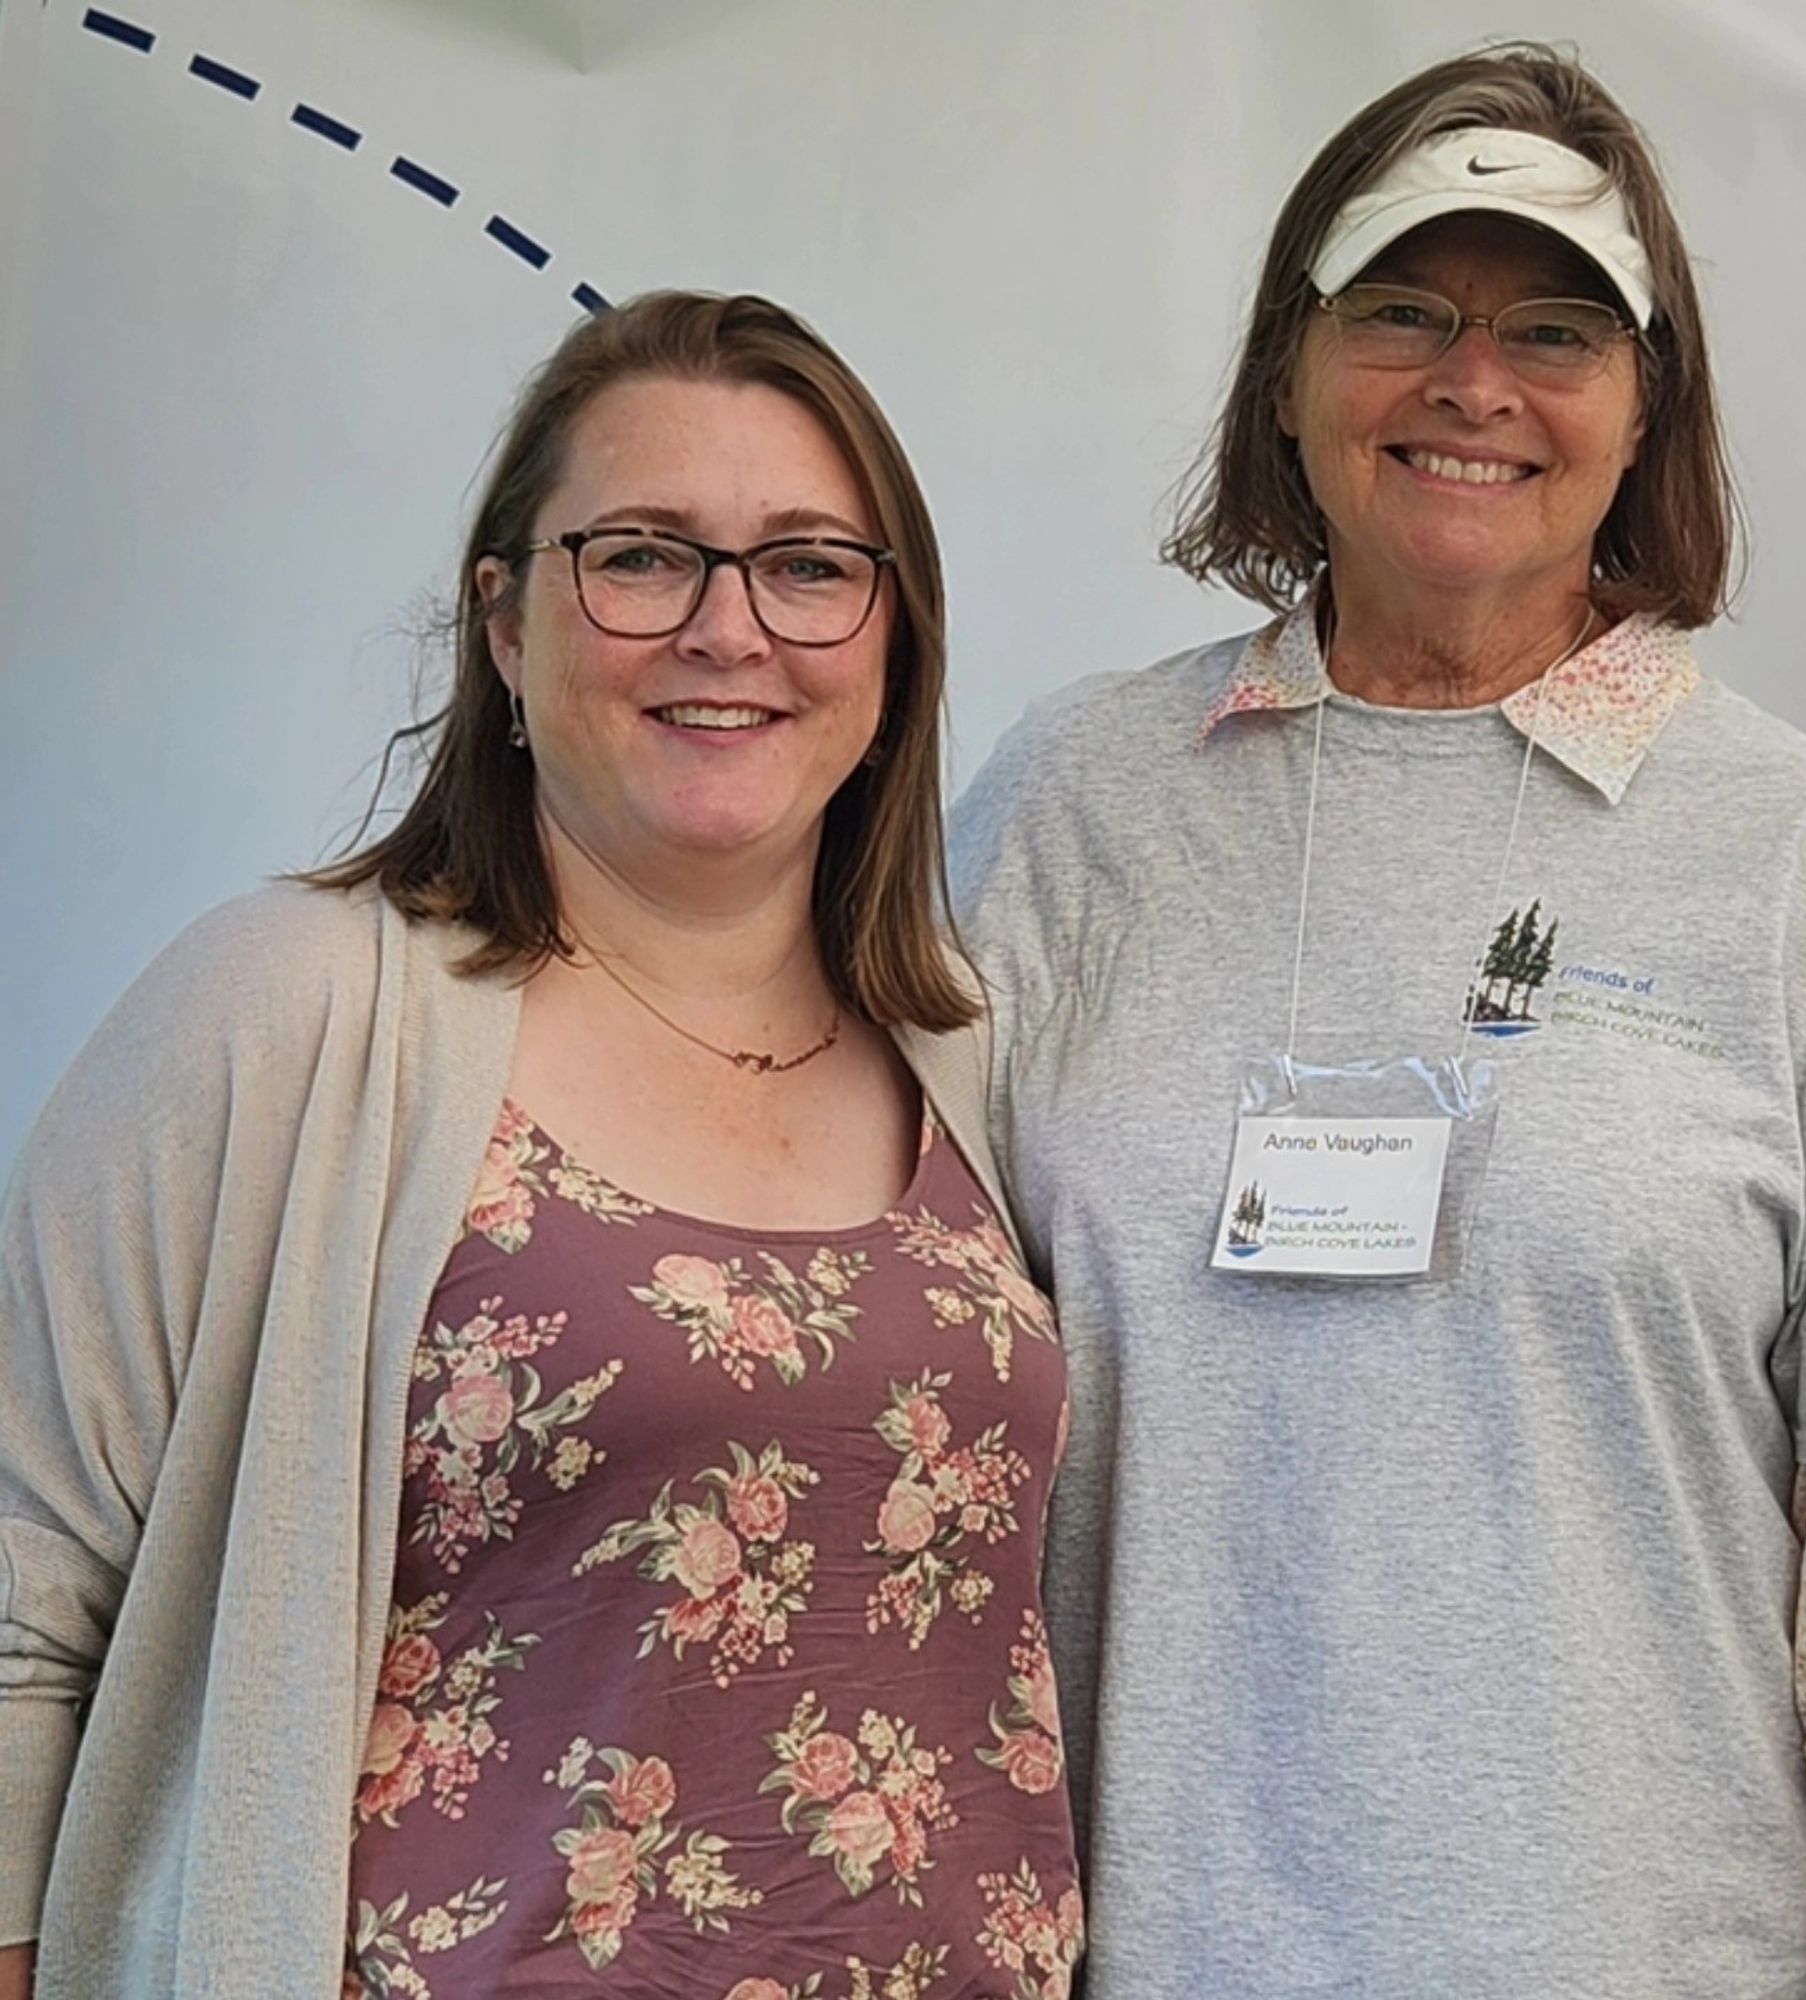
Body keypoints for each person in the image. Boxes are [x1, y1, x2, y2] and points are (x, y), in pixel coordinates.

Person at [951, 42, 1806, 2000]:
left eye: (1551, 328)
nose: (1471, 380)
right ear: (1287, 368)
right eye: (1403, 311)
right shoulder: (1071, 803)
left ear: (1642, 408)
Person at [0, 291, 1081, 2000]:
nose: (731, 629)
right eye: (643, 557)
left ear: (893, 638)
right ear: (505, 622)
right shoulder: (287, 1018)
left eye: (809, 565)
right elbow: (14, 1602)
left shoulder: (973, 1054)